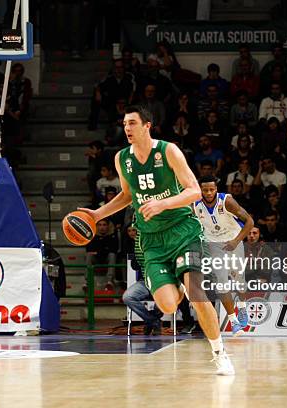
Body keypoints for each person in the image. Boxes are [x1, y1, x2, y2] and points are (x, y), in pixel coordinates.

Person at [78, 105, 235, 375]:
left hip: (183, 231)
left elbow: (194, 191)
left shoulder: (168, 151)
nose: (127, 128)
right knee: (167, 304)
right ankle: (180, 282)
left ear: (147, 126)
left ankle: (220, 353)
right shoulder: (122, 159)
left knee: (197, 295)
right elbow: (127, 196)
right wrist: (97, 214)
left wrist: (163, 205)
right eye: (124, 123)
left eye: (132, 123)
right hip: (151, 239)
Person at [194, 176, 253, 335]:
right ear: (200, 190)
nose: (208, 193)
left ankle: (242, 307)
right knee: (221, 282)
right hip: (213, 244)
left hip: (233, 241)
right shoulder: (195, 205)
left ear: (216, 189)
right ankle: (233, 321)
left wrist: (236, 241)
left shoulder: (227, 201)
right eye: (205, 190)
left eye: (211, 189)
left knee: (239, 280)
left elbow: (250, 221)